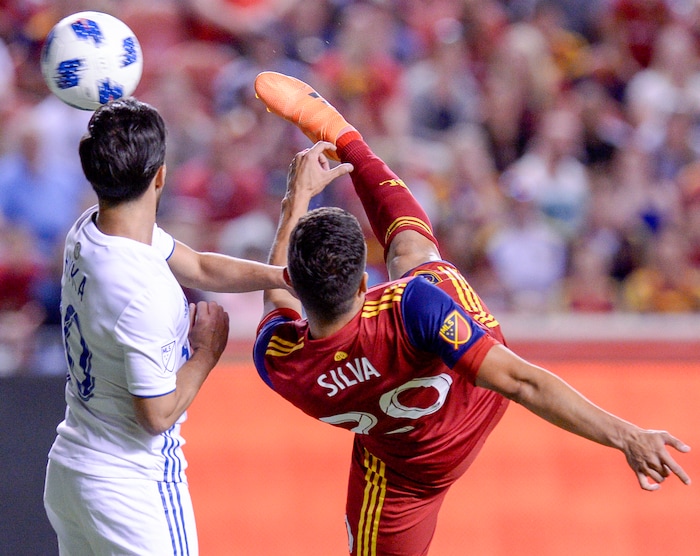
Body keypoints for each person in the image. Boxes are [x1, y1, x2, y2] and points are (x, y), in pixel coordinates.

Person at [252, 72, 691, 556]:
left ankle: (343, 136)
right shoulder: (410, 304)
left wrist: (293, 205)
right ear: (362, 283)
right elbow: (523, 384)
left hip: (403, 473)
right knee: (414, 254)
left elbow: (277, 296)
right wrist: (628, 436)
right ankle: (344, 135)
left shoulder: (277, 362)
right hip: (474, 396)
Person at [43, 97, 288, 555]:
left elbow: (198, 266)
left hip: (73, 471)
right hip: (131, 488)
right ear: (160, 176)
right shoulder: (144, 291)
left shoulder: (90, 230)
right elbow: (156, 416)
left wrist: (279, 276)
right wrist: (206, 353)